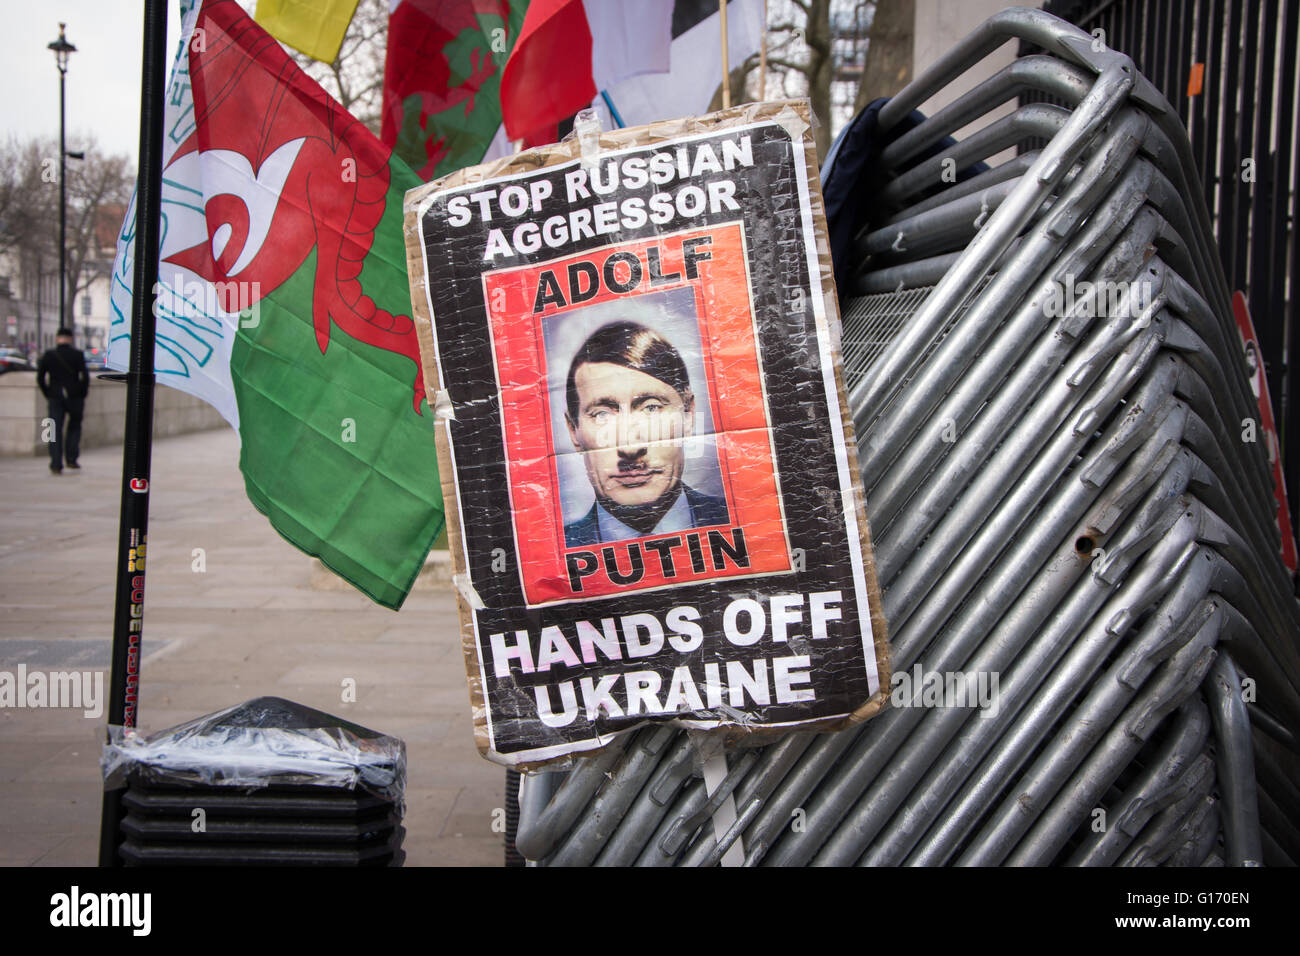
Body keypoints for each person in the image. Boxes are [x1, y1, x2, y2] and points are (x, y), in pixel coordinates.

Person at [563, 320, 728, 547]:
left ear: (688, 415)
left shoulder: (747, 522)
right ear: (574, 432)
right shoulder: (552, 552)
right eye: (602, 415)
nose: (630, 448)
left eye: (651, 408)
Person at [37, 328, 89, 475]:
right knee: (74, 427)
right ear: (70, 339)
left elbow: (40, 378)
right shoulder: (77, 355)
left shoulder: (49, 355)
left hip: (55, 396)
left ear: (57, 338)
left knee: (53, 429)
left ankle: (55, 462)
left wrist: (48, 393)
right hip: (74, 396)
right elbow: (84, 377)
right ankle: (71, 458)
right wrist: (82, 393)